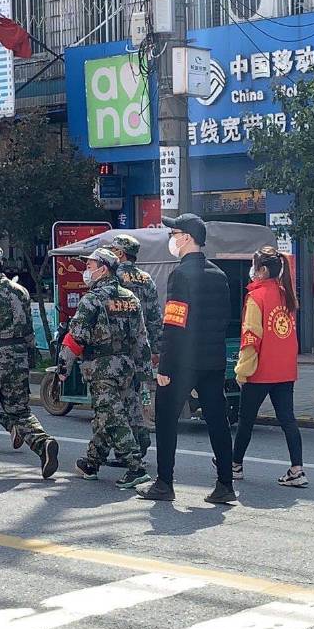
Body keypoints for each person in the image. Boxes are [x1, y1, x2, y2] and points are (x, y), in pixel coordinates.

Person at [138, 213, 235, 505]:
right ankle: (225, 484)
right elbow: (225, 320)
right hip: (213, 360)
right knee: (217, 420)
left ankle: (164, 483)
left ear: (187, 238)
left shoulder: (180, 275)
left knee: (166, 419)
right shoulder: (219, 275)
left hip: (182, 361)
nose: (172, 239)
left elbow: (174, 323)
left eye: (174, 234)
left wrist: (164, 366)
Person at [58, 248, 152, 487]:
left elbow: (76, 337)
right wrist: (144, 372)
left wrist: (63, 367)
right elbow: (142, 339)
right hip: (127, 367)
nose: (86, 270)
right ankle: (91, 462)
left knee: (112, 417)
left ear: (103, 269)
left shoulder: (92, 299)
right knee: (110, 414)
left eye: (90, 266)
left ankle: (135, 467)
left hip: (101, 369)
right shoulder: (131, 298)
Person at [0, 244, 59, 479]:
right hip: (18, 356)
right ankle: (42, 442)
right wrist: (28, 357)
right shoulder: (20, 291)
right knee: (19, 409)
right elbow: (28, 331)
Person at [232, 246, 308, 488]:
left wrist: (242, 371)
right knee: (288, 420)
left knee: (246, 421)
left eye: (255, 266)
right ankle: (297, 469)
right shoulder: (287, 294)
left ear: (262, 270)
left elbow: (251, 337)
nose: (253, 271)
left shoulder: (256, 297)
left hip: (260, 371)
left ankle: (235, 465)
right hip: (285, 370)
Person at [107, 234, 162, 466]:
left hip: (116, 350)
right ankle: (139, 445)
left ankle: (125, 451)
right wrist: (156, 348)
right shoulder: (146, 279)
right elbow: (155, 317)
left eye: (112, 250)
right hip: (141, 348)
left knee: (117, 401)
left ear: (120, 253)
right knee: (137, 397)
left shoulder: (113, 277)